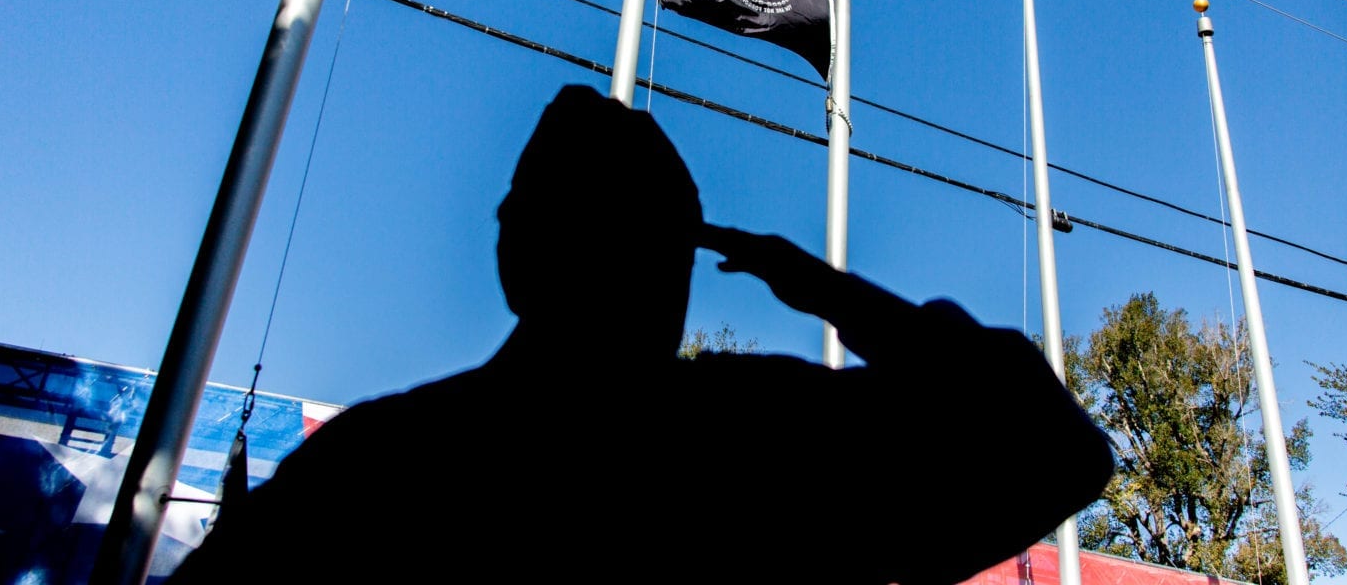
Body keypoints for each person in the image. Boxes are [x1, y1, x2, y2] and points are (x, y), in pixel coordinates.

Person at [167, 84, 1111, 584]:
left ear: (514, 252)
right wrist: (825, 290)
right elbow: (1059, 450)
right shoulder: (762, 440)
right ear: (680, 271)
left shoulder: (377, 466)